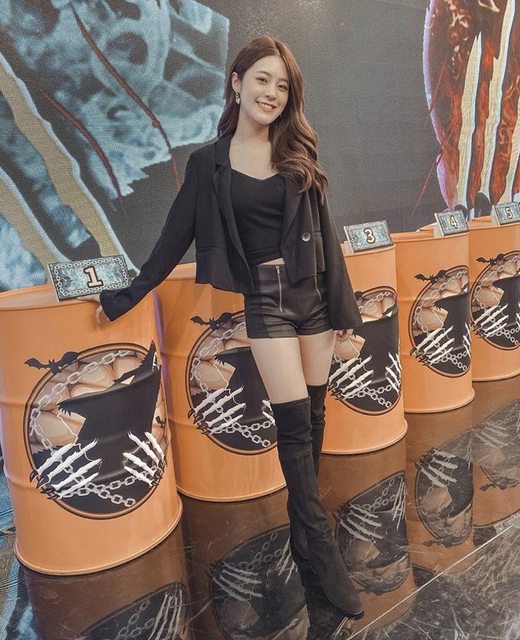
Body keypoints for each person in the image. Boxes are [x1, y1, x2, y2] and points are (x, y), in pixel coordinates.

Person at [82, 35, 364, 618]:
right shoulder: (208, 164)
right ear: (236, 83)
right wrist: (128, 294)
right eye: (262, 79)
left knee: (314, 415)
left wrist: (345, 315)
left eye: (282, 86)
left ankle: (302, 534)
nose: (272, 93)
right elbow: (173, 237)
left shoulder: (299, 155)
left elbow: (328, 241)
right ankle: (321, 546)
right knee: (293, 423)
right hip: (266, 302)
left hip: (314, 297)